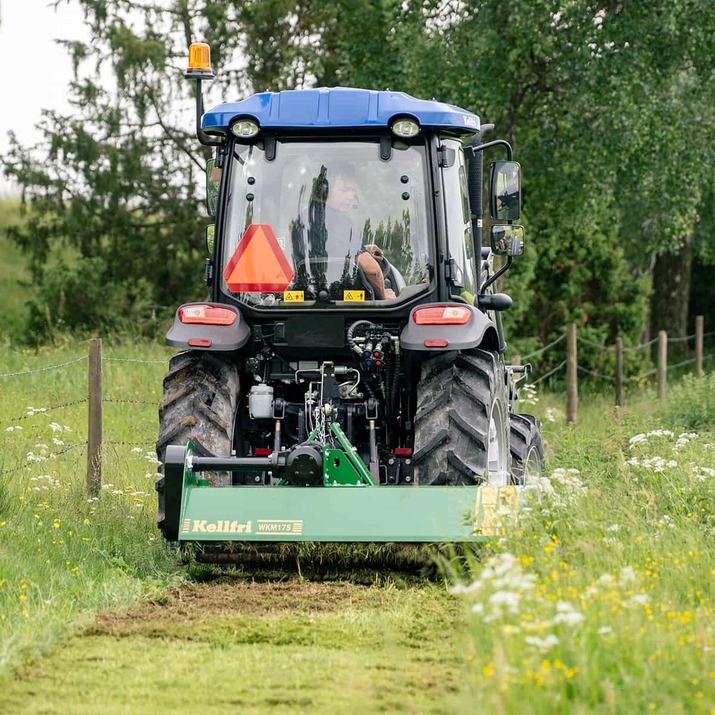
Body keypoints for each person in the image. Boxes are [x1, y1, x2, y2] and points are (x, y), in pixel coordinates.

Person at [294, 165, 395, 299]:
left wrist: (363, 249)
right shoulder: (341, 222)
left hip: (309, 298)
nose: (350, 196)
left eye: (352, 190)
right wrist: (384, 298)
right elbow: (372, 270)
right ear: (325, 190)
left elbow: (327, 250)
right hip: (344, 301)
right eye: (344, 190)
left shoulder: (303, 219)